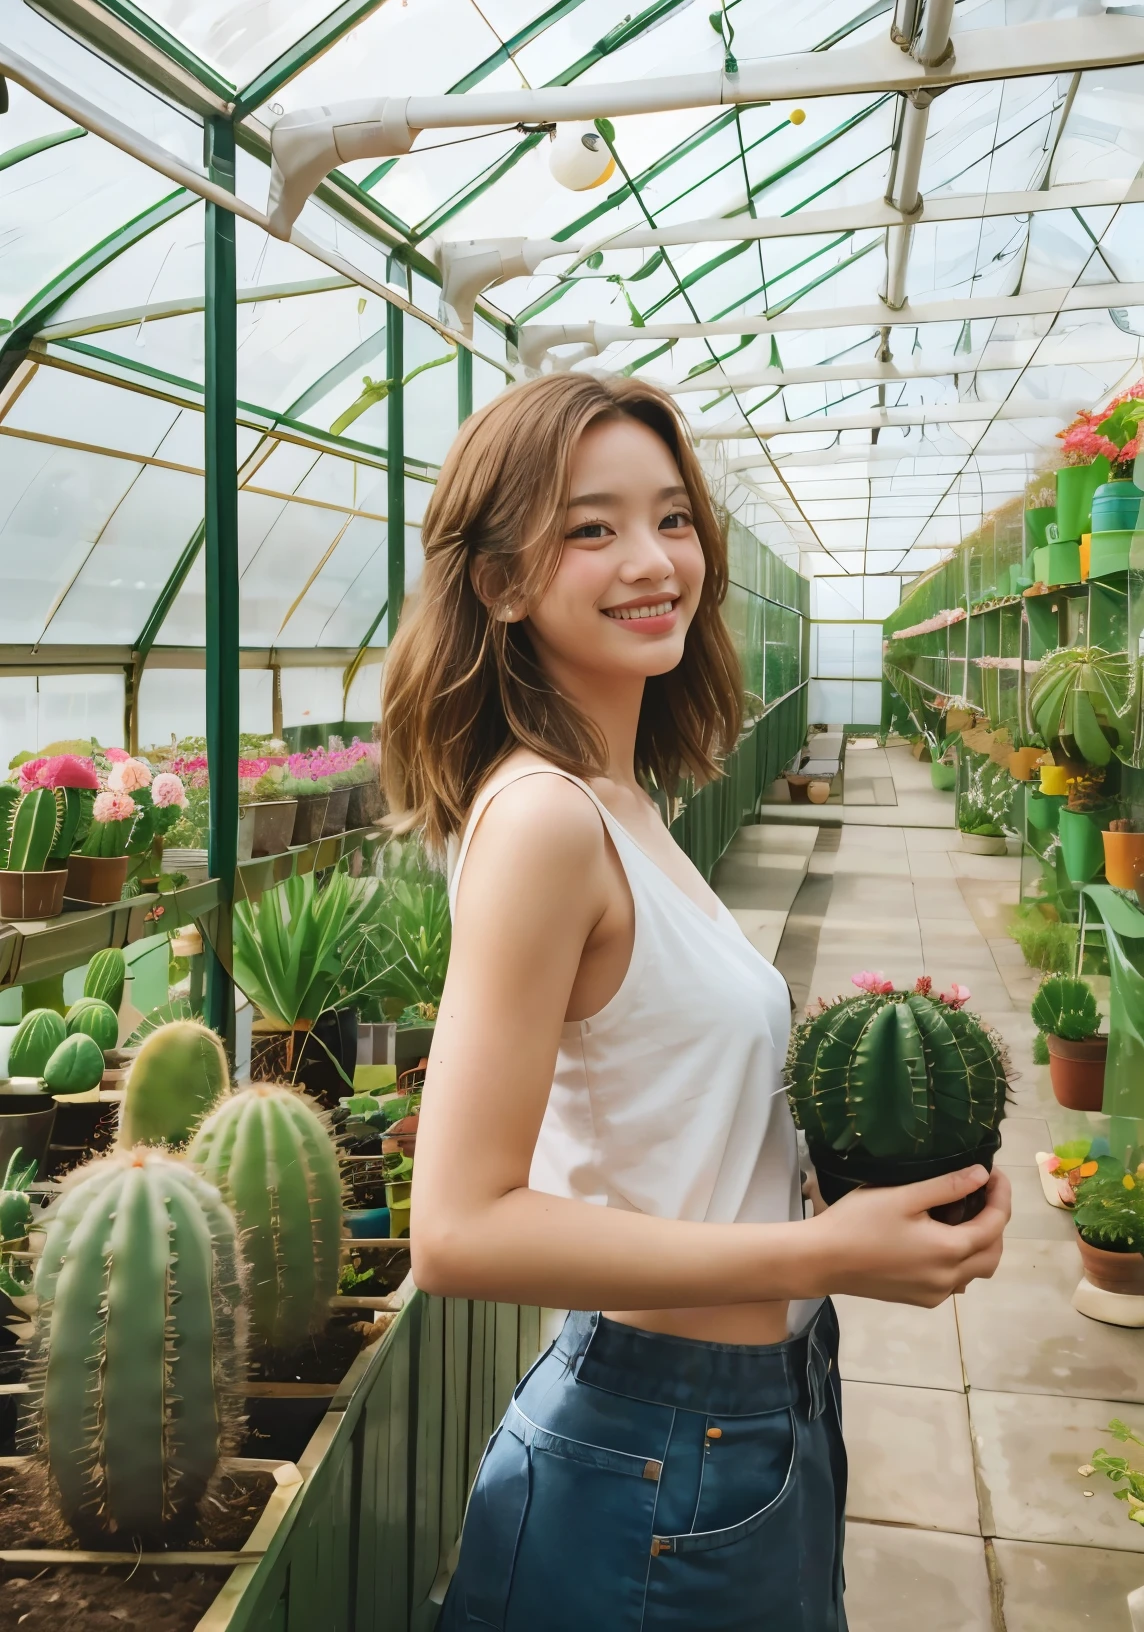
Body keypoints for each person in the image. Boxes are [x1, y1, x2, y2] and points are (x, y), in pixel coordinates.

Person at [383, 373, 1010, 1631]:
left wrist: (859, 1192)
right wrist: (827, 1252)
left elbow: (656, 1122)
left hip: (755, 1411)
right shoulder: (545, 821)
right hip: (659, 1447)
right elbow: (457, 1229)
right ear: (501, 579)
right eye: (590, 527)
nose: (653, 559)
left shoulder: (621, 800)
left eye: (672, 517)